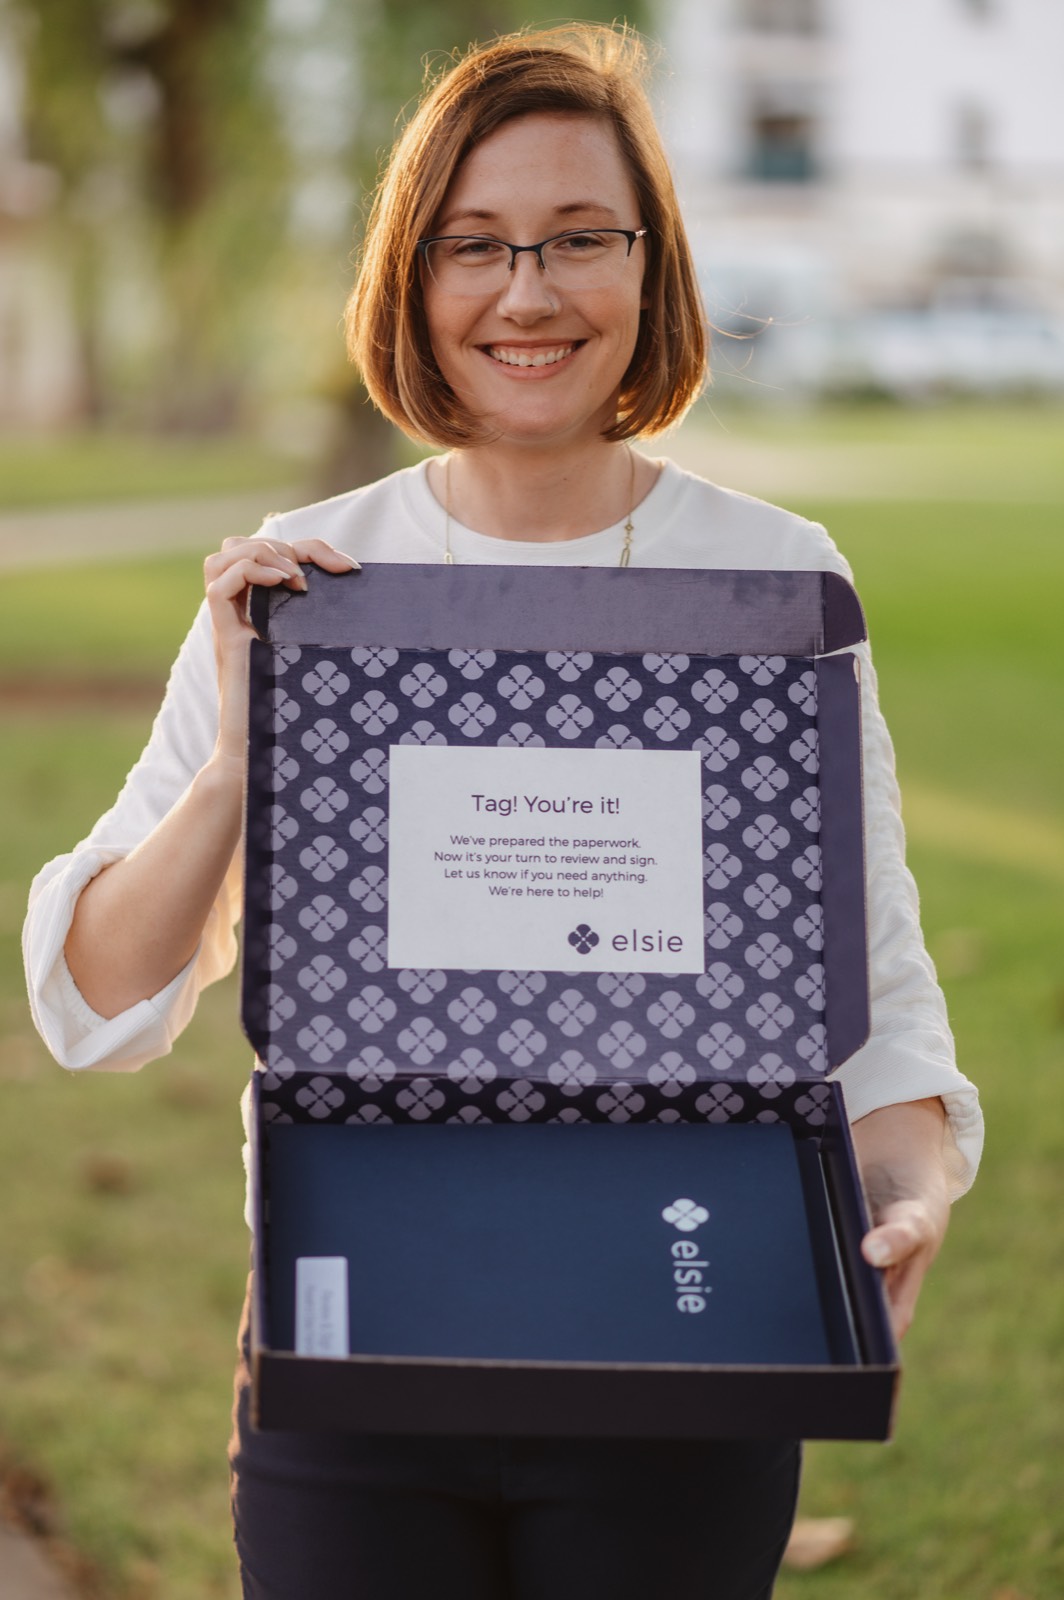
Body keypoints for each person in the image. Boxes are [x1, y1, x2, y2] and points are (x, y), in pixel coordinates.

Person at [24, 24, 982, 1600]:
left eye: (576, 239)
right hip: (358, 1363)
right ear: (411, 277)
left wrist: (908, 1197)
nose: (525, 294)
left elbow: (865, 985)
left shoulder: (775, 584)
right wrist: (240, 764)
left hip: (690, 1337)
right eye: (473, 245)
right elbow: (96, 1001)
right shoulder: (306, 577)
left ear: (649, 263)